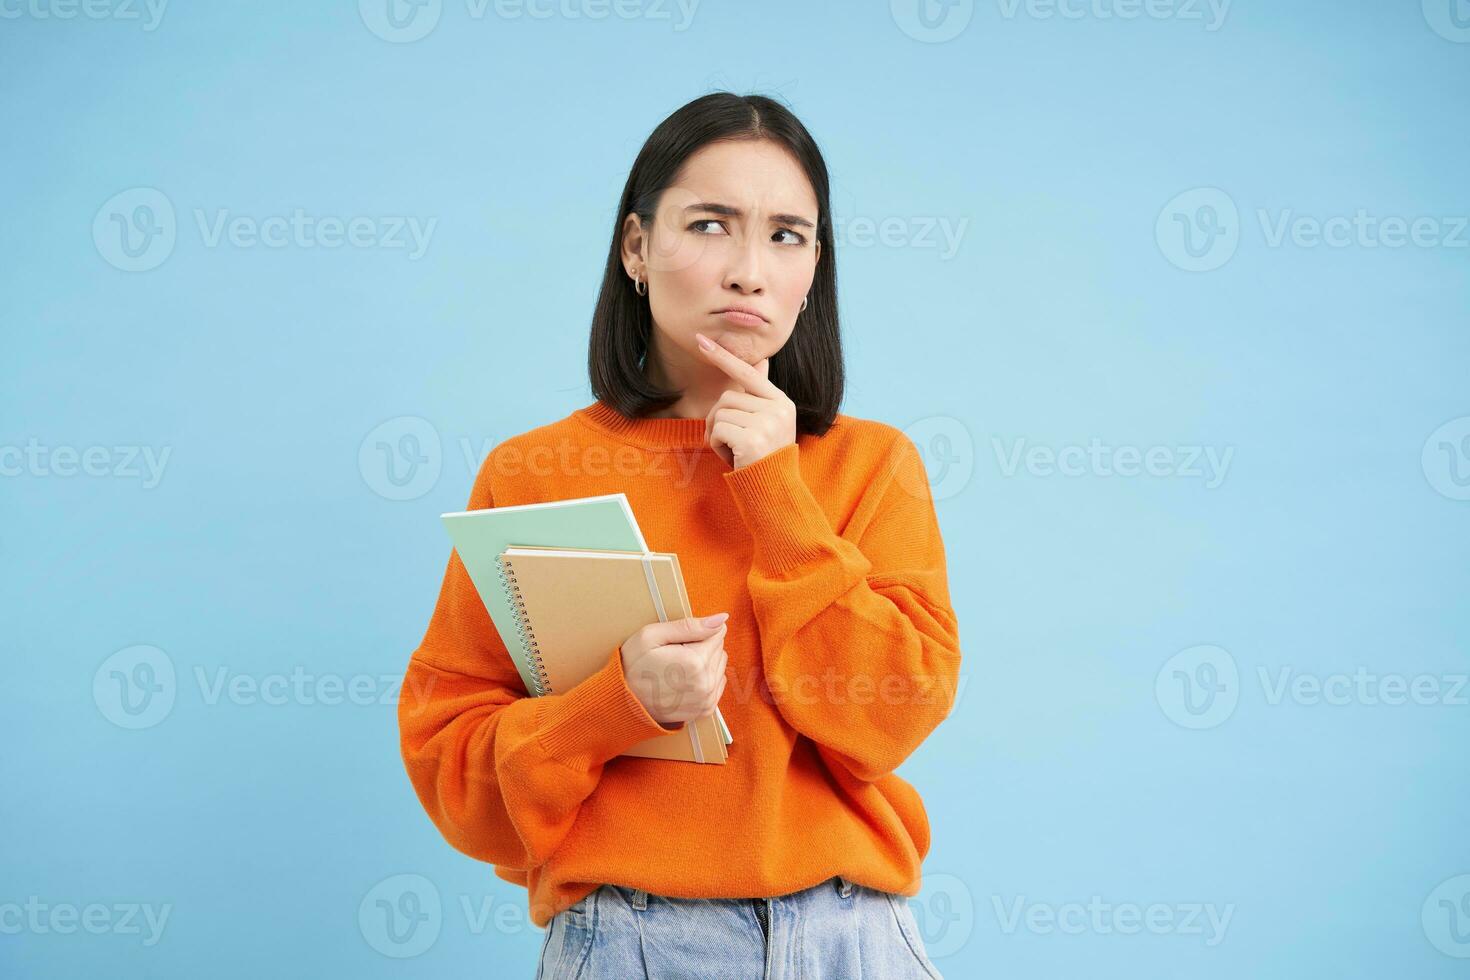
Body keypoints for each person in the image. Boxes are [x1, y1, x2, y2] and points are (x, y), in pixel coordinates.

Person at [397, 91, 959, 979]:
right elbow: (456, 777)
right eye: (709, 225)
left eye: (786, 235)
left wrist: (774, 488)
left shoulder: (872, 465)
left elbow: (888, 719)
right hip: (633, 941)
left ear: (815, 266)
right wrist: (615, 704)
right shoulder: (530, 476)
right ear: (636, 249)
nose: (748, 270)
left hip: (853, 940)